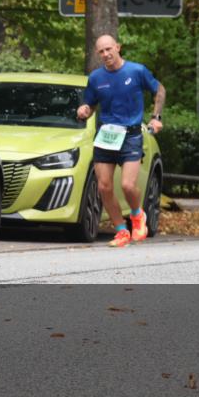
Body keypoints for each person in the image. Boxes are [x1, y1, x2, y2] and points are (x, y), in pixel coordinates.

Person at [77, 35, 166, 247]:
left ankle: (137, 215)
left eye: (109, 49)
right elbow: (90, 106)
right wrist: (84, 110)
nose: (106, 54)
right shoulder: (96, 78)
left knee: (127, 185)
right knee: (104, 187)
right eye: (101, 51)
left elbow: (159, 90)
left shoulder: (136, 71)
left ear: (118, 47)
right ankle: (121, 230)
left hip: (130, 135)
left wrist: (156, 118)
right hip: (106, 136)